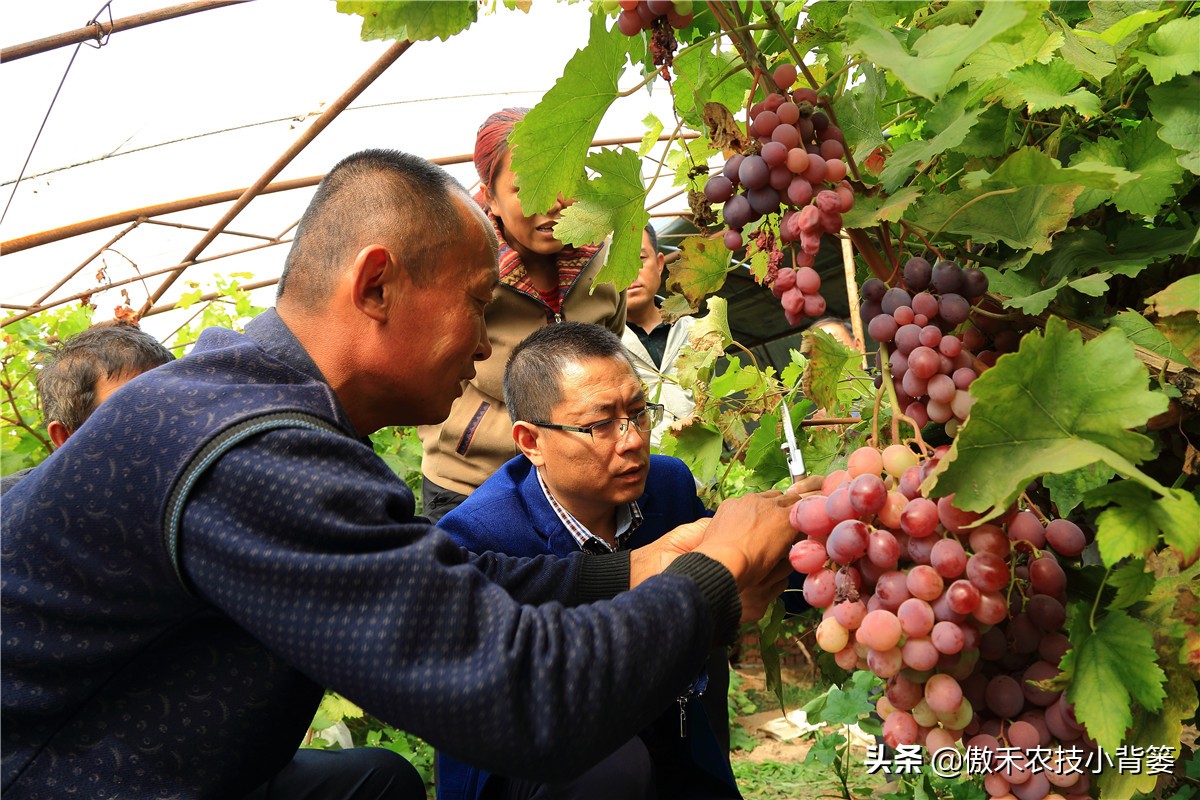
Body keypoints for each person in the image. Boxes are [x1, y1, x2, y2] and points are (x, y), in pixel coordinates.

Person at [1, 149, 804, 800]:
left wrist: (638, 568)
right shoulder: (249, 447)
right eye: (477, 301)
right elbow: (526, 701)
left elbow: (441, 579)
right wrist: (717, 576)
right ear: (376, 284)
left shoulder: (255, 400)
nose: (488, 346)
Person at [436, 322, 742, 800]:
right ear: (531, 442)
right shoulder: (478, 538)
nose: (633, 440)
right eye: (600, 425)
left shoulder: (668, 486)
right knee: (614, 769)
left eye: (639, 413)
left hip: (658, 718)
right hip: (531, 756)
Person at [418, 107, 626, 522]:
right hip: (471, 482)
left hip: (581, 481)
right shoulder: (458, 265)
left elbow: (611, 348)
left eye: (564, 180)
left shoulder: (604, 258)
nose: (552, 202)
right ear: (490, 196)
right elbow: (424, 371)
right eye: (528, 186)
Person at [0, 321, 174, 496]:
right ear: (67, 437)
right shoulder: (12, 507)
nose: (162, 423)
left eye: (171, 405)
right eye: (130, 415)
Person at [621, 225, 696, 448]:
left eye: (640, 258)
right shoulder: (601, 345)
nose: (631, 272)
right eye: (618, 263)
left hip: (702, 475)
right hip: (637, 472)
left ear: (660, 263)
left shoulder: (695, 331)